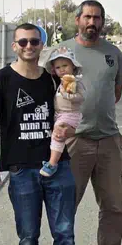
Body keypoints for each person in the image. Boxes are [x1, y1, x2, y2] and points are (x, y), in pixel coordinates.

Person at [0, 23, 87, 245]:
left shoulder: (54, 79)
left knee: (64, 235)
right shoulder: (2, 79)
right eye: (23, 42)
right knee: (28, 237)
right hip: (22, 171)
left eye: (35, 41)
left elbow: (71, 111)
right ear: (14, 46)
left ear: (42, 45)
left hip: (58, 168)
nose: (29, 46)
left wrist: (70, 131)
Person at [59, 0, 122, 245]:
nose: (92, 22)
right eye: (87, 17)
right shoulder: (62, 53)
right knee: (66, 208)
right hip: (74, 143)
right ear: (77, 20)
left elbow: (115, 92)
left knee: (114, 207)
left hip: (109, 141)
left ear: (103, 22)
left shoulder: (113, 53)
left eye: (97, 18)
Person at [41, 47, 86, 177]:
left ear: (73, 66)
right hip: (60, 114)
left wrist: (67, 95)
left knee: (58, 134)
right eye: (58, 67)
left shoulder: (75, 81)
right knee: (57, 135)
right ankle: (52, 160)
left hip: (70, 114)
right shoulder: (62, 82)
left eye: (65, 65)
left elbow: (81, 97)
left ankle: (52, 163)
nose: (62, 69)